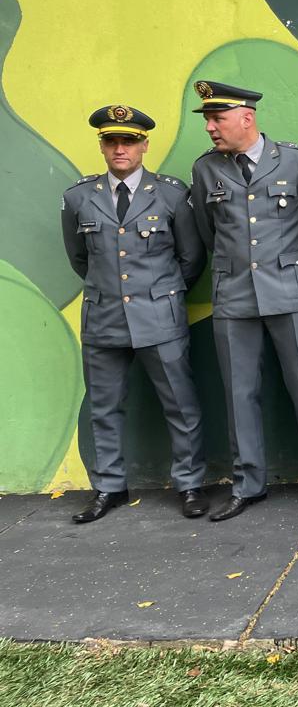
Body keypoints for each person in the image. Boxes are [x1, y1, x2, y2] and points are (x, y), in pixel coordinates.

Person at [189, 80, 298, 521]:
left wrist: (286, 264)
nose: (211, 129)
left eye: (217, 119)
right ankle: (247, 484)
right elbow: (207, 232)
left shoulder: (294, 162)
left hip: (290, 293)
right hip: (234, 295)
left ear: (246, 117)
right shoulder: (205, 170)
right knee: (239, 394)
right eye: (208, 121)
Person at [60, 106, 207, 523]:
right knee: (104, 408)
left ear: (145, 145)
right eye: (111, 141)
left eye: (128, 141)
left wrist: (160, 293)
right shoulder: (78, 197)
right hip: (104, 317)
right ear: (102, 146)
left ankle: (190, 484)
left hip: (159, 315)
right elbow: (79, 258)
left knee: (180, 404)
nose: (119, 149)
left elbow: (191, 258)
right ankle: (109, 487)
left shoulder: (172, 194)